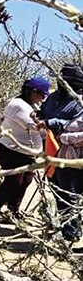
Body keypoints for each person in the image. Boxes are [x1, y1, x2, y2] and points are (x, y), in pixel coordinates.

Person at [0, 76, 50, 224]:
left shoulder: (33, 106)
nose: (42, 99)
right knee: (13, 182)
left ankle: (14, 210)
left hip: (27, 152)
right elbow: (35, 127)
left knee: (26, 180)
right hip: (11, 150)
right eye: (41, 95)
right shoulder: (18, 105)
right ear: (33, 91)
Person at [40, 64, 83, 242]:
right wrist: (40, 117)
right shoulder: (53, 98)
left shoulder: (80, 100)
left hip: (74, 159)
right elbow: (44, 114)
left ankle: (71, 234)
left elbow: (78, 130)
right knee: (59, 194)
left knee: (70, 196)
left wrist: (61, 133)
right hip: (53, 155)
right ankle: (70, 231)